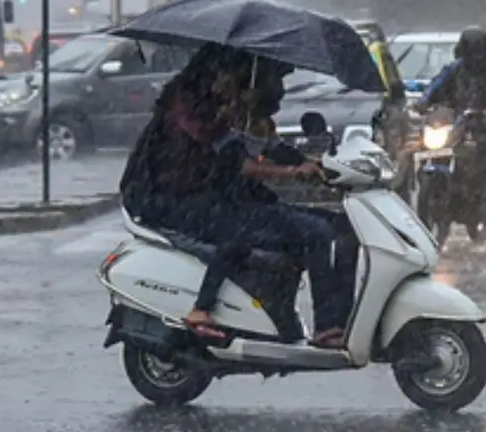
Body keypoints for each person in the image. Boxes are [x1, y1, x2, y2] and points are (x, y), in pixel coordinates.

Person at [120, 45, 351, 348]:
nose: (276, 89)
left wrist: (315, 165)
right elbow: (237, 160)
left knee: (340, 226)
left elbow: (268, 145)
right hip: (174, 202)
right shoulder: (193, 109)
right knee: (303, 232)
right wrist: (292, 171)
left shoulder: (231, 110)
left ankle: (293, 314)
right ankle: (203, 309)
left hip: (216, 198)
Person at [415, 27, 486, 245]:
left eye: (477, 49)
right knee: (425, 150)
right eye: (470, 49)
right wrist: (423, 100)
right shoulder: (454, 69)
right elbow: (436, 84)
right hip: (455, 125)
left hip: (485, 127)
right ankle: (437, 206)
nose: (474, 55)